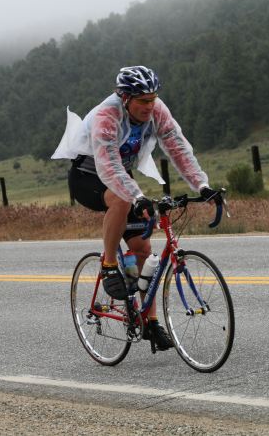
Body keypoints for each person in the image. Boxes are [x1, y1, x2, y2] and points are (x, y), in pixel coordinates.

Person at [53, 65, 219, 351]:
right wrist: (135, 195)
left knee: (143, 250)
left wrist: (202, 186)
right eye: (142, 101)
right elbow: (107, 164)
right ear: (125, 97)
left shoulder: (157, 110)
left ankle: (150, 322)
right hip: (87, 175)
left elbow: (177, 147)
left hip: (121, 175)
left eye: (153, 98)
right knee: (121, 199)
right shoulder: (107, 115)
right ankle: (108, 265)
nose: (149, 105)